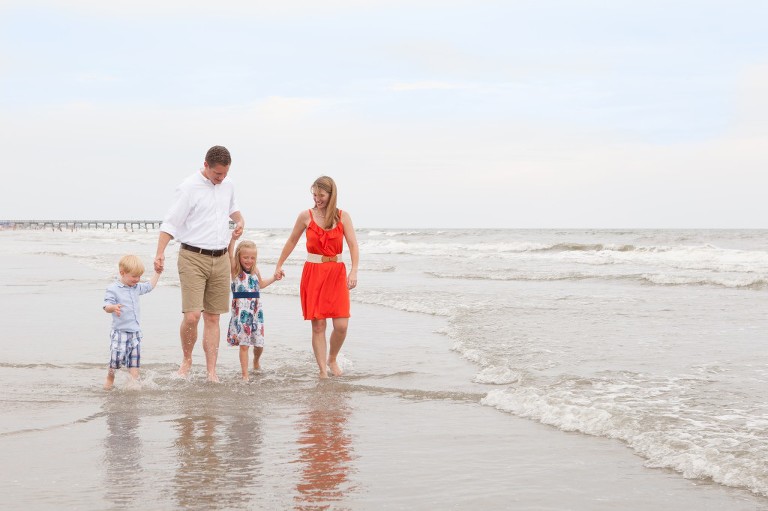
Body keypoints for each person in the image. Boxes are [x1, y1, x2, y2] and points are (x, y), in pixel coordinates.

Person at [154, 145, 244, 382]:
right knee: (193, 315)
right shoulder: (188, 188)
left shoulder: (228, 185)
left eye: (225, 173)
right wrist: (160, 253)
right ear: (206, 165)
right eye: (217, 174)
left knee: (213, 317)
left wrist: (240, 221)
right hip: (192, 257)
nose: (221, 178)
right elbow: (170, 223)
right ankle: (187, 359)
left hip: (221, 258)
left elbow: (233, 209)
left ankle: (211, 371)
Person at [274, 176, 359, 378]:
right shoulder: (306, 216)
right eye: (314, 195)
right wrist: (279, 264)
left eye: (321, 195)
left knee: (341, 325)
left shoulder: (343, 217)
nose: (317, 199)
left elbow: (353, 245)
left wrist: (354, 270)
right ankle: (322, 371)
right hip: (313, 273)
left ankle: (332, 358)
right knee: (318, 325)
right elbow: (292, 241)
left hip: (336, 272)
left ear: (331, 194)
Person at [226, 236, 282, 381]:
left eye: (252, 258)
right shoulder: (235, 270)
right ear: (239, 256)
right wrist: (233, 240)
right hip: (242, 312)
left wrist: (274, 278)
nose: (249, 260)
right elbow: (229, 254)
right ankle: (245, 375)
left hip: (256, 311)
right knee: (244, 344)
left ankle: (256, 361)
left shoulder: (255, 271)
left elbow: (260, 285)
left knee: (259, 343)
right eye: (245, 257)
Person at [103, 254, 162, 390]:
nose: (137, 280)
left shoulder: (136, 287)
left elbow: (149, 286)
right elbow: (106, 306)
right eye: (134, 276)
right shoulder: (113, 288)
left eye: (139, 276)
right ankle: (110, 378)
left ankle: (133, 385)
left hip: (135, 332)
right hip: (120, 332)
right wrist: (113, 307)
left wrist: (157, 273)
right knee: (116, 361)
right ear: (122, 273)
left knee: (134, 362)